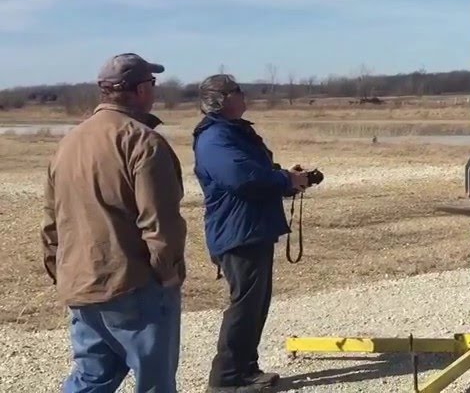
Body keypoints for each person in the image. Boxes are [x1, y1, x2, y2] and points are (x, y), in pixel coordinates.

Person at [41, 53, 187, 393]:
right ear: (139, 91)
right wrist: (168, 276)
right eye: (151, 83)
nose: (154, 90)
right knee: (155, 383)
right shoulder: (142, 141)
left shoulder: (67, 143)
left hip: (81, 283)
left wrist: (60, 270)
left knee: (93, 377)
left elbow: (52, 221)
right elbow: (160, 224)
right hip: (134, 286)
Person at [192, 74, 313, 392]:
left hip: (251, 228)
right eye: (238, 91)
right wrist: (285, 181)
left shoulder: (235, 133)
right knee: (244, 306)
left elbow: (255, 174)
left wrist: (288, 179)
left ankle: (246, 369)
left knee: (256, 304)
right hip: (237, 232)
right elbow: (241, 178)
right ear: (222, 99)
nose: (244, 96)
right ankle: (226, 380)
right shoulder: (215, 137)